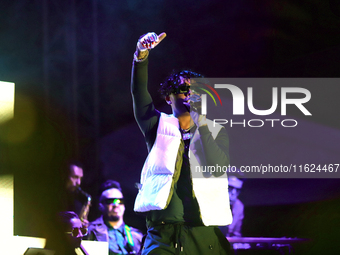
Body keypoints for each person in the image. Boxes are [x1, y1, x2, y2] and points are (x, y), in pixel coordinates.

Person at [131, 32, 232, 254]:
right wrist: (141, 54)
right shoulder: (157, 124)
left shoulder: (215, 130)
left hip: (202, 230)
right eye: (183, 90)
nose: (189, 95)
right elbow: (139, 93)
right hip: (164, 232)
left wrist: (202, 126)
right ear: (169, 97)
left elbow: (218, 166)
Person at [86, 180, 143, 255]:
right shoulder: (90, 231)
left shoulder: (136, 236)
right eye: (110, 201)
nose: (116, 205)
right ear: (100, 206)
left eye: (120, 201)